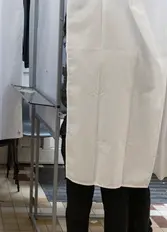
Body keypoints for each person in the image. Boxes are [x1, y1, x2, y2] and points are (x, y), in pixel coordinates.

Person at [60, 17, 152, 231]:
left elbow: (66, 97)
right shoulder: (128, 54)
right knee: (116, 197)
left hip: (79, 129)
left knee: (79, 199)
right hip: (117, 131)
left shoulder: (77, 56)